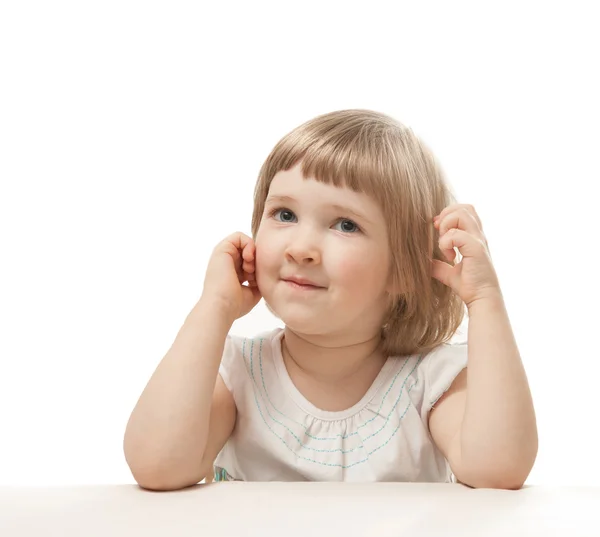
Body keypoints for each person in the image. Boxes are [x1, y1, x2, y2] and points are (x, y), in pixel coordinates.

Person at [123, 109, 538, 490]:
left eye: (345, 224)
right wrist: (212, 308)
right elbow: (158, 465)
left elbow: (496, 470)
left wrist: (484, 301)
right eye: (284, 215)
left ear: (403, 269)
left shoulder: (427, 384)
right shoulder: (239, 373)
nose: (300, 248)